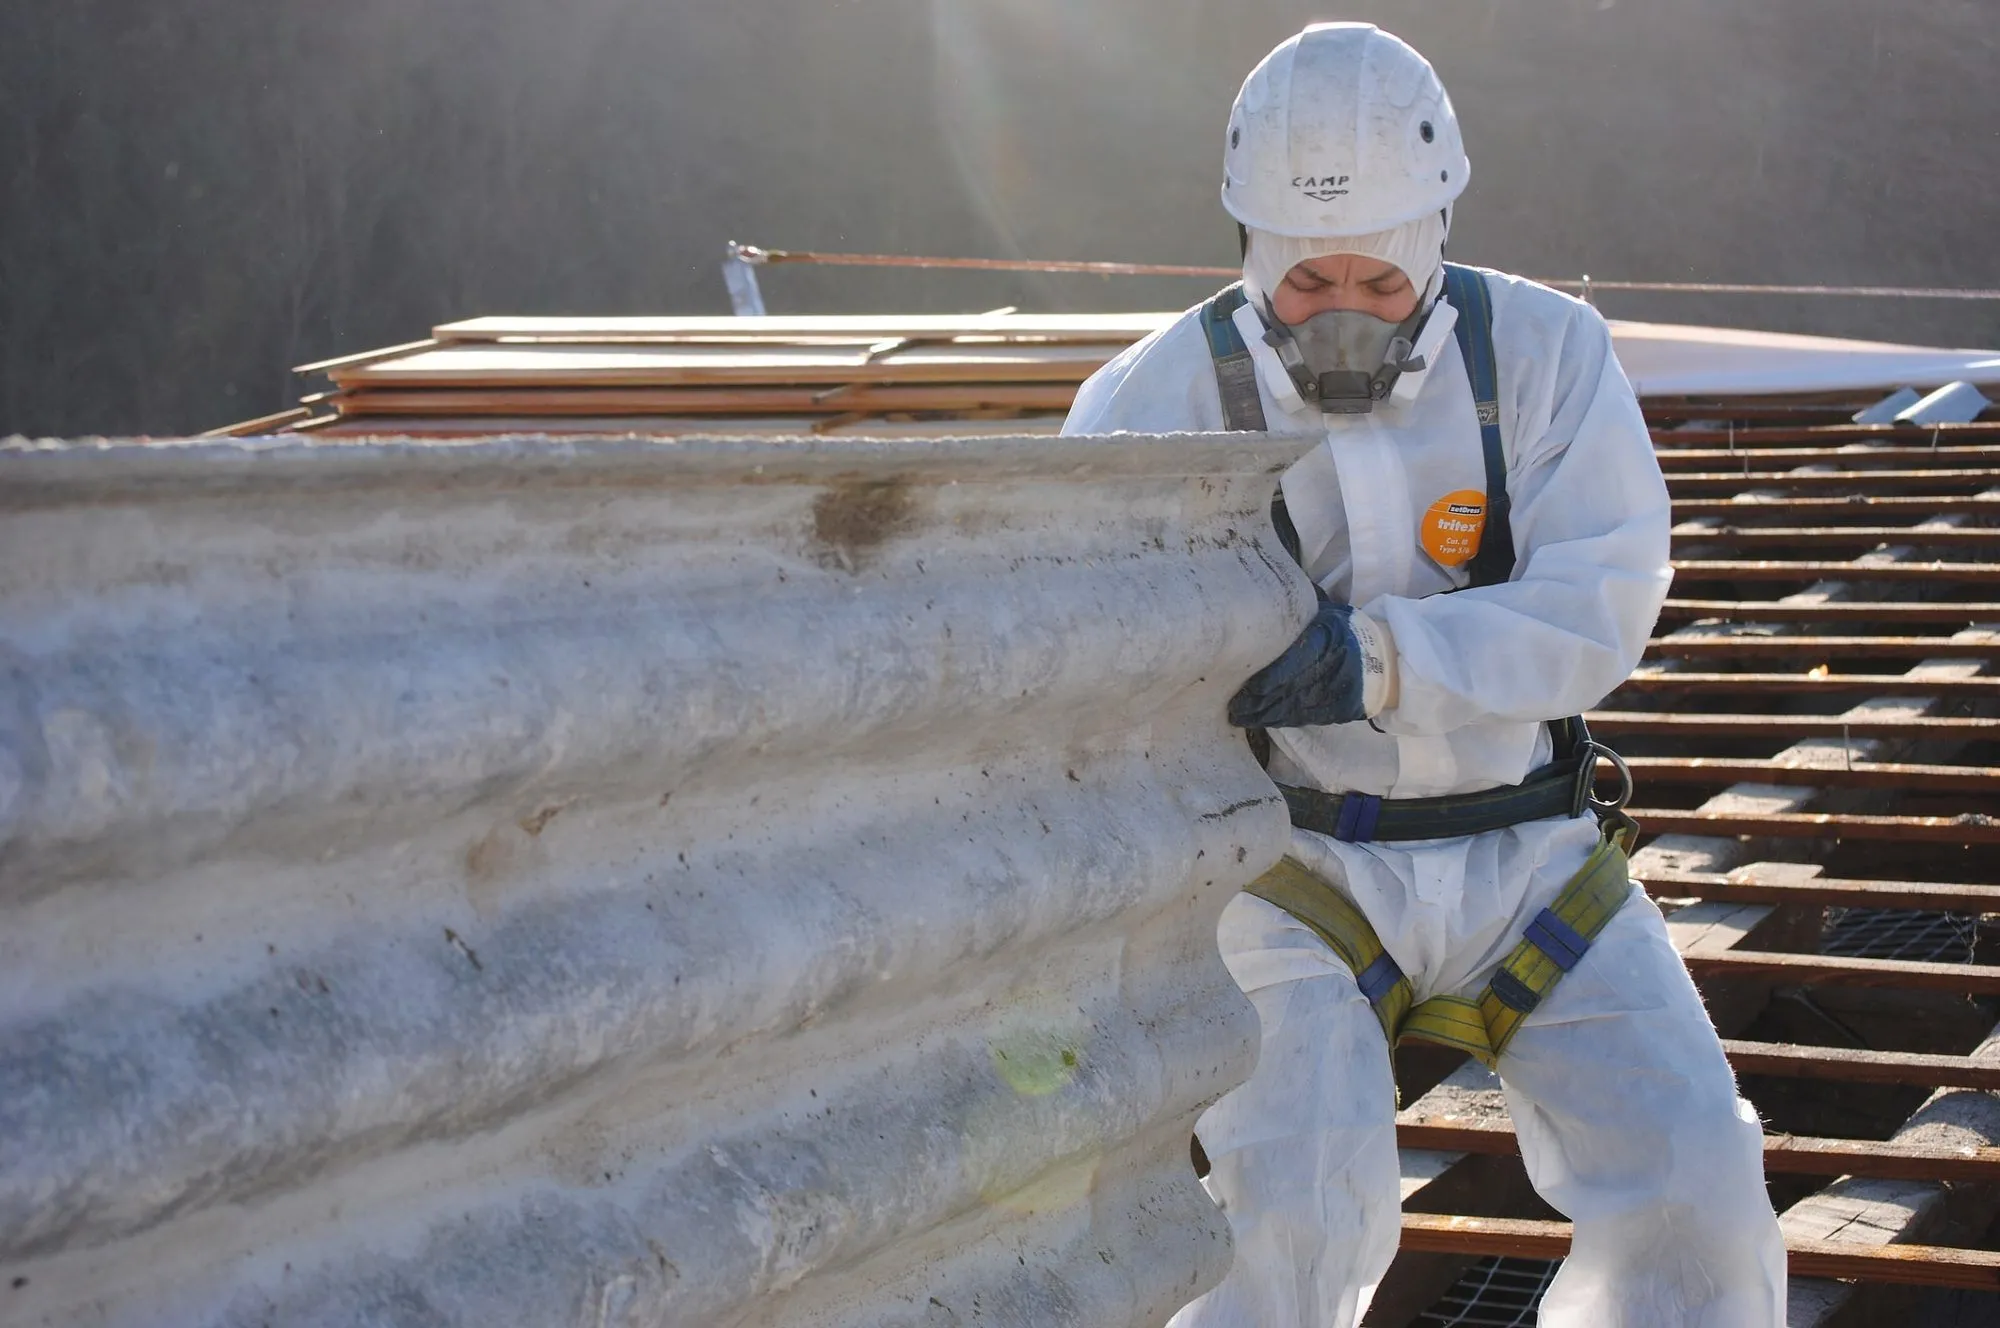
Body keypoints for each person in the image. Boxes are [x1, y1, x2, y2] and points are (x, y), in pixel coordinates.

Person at [1062, 23, 1785, 1328]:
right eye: (1307, 281)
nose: (1342, 312)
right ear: (1248, 249)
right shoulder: (1154, 400)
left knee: (1699, 1178)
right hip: (1292, 869)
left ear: (1438, 229)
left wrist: (1376, 661)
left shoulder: (1548, 360)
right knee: (1294, 1214)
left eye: (1382, 286)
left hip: (1533, 855)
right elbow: (1093, 652)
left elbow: (1599, 606)